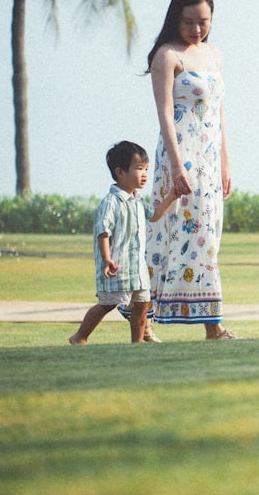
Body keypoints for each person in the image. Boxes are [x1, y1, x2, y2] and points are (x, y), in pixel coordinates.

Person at [144, 0, 238, 340]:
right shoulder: (167, 56)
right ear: (175, 18)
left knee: (207, 235)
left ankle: (211, 323)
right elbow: (165, 115)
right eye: (188, 22)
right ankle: (146, 320)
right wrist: (176, 165)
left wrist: (225, 163)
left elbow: (220, 113)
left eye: (203, 21)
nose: (197, 29)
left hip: (210, 163)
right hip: (180, 155)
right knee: (168, 234)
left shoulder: (214, 55)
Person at [69, 141, 178, 345]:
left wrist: (172, 196)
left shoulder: (138, 200)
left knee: (142, 304)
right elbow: (103, 232)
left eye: (146, 169)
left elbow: (154, 215)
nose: (144, 174)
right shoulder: (110, 202)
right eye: (139, 168)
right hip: (117, 267)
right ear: (120, 172)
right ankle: (79, 336)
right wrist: (106, 259)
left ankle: (137, 342)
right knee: (107, 304)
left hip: (137, 268)